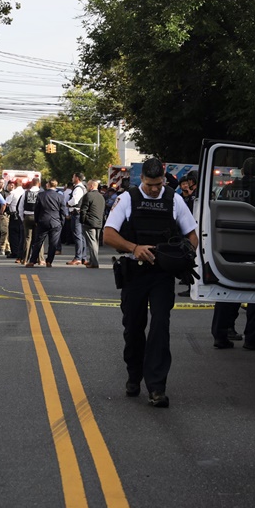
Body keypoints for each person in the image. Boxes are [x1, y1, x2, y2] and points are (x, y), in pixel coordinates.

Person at [104, 158, 198, 408]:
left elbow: (192, 235)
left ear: (163, 179)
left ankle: (157, 387)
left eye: (158, 184)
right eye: (149, 184)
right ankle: (134, 376)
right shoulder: (128, 198)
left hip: (161, 274)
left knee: (160, 326)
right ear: (141, 179)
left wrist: (182, 256)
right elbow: (109, 234)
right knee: (133, 327)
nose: (155, 189)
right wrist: (134, 248)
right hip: (134, 272)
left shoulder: (174, 199)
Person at [213, 157, 255, 350]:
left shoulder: (227, 189)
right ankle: (252, 337)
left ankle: (220, 335)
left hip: (227, 246)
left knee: (226, 291)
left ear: (241, 171)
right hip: (253, 248)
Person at [30, 178, 69, 268]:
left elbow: (37, 209)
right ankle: (49, 261)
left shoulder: (41, 195)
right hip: (55, 221)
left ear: (48, 185)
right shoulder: (60, 196)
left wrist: (36, 220)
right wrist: (62, 222)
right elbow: (63, 211)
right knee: (53, 243)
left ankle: (32, 261)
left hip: (43, 220)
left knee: (38, 242)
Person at [177, 171, 200, 297]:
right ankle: (189, 283)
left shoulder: (196, 195)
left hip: (194, 229)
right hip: (190, 228)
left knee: (191, 256)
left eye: (190, 181)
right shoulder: (188, 195)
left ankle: (191, 285)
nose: (188, 184)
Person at [79, 179, 105, 269]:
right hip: (99, 222)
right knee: (95, 242)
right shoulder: (101, 196)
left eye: (87, 185)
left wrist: (82, 220)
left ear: (91, 186)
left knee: (92, 242)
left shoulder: (88, 195)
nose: (86, 187)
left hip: (90, 222)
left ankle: (94, 262)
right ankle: (92, 260)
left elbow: (83, 209)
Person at [18, 177, 43, 266]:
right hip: (38, 217)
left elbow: (20, 206)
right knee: (39, 238)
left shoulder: (26, 193)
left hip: (27, 216)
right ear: (39, 184)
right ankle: (40, 259)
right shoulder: (41, 193)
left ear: (32, 183)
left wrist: (22, 218)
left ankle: (24, 259)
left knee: (27, 239)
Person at [67, 173, 88, 265]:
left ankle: (78, 257)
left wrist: (68, 203)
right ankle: (83, 257)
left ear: (77, 178)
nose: (72, 178)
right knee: (81, 236)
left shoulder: (78, 188)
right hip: (80, 213)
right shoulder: (83, 188)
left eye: (73, 176)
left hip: (76, 213)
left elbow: (75, 200)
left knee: (77, 236)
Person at [6, 180, 26, 263]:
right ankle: (21, 252)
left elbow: (6, 203)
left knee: (13, 235)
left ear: (14, 185)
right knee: (21, 234)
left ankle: (15, 252)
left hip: (14, 215)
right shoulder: (25, 192)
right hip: (23, 215)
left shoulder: (13, 193)